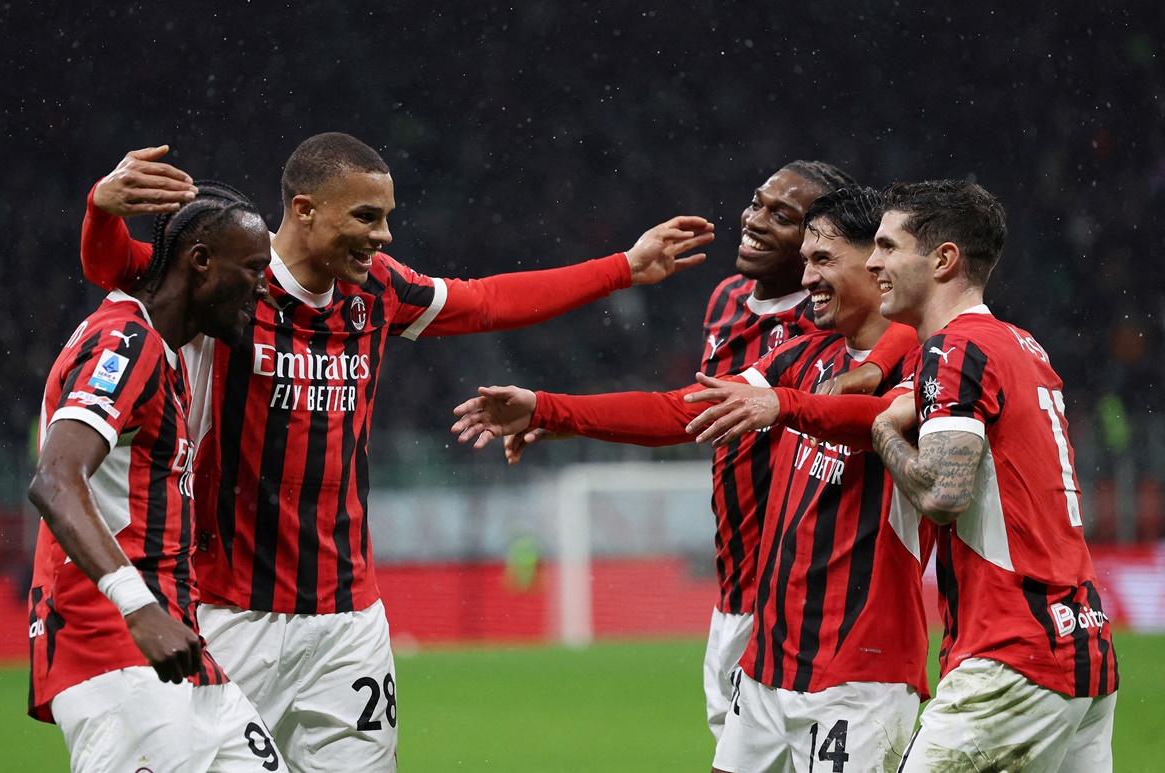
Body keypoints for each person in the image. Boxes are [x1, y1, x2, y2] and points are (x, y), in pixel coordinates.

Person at [76, 134, 714, 771]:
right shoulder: (232, 281)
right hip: (229, 612)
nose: (382, 236)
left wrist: (625, 266)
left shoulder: (376, 290)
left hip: (350, 621)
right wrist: (101, 207)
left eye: (386, 217)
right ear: (303, 211)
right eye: (364, 217)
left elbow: (486, 301)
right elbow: (116, 268)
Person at [451, 186, 932, 772]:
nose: (806, 278)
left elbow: (880, 419)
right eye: (805, 260)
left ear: (878, 262)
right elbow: (681, 410)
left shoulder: (928, 363)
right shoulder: (802, 358)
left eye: (823, 260)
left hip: (862, 671)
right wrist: (547, 407)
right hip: (770, 666)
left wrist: (786, 406)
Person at [27, 183, 291, 771]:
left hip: (178, 646)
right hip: (115, 646)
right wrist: (137, 608)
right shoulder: (127, 342)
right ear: (200, 263)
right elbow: (55, 478)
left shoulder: (172, 352)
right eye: (253, 269)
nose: (263, 287)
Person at [864, 180, 1118, 771]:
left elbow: (944, 495)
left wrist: (882, 428)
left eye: (887, 246)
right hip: (1084, 642)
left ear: (944, 259)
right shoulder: (1024, 346)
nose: (873, 262)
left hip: (1012, 657)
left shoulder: (955, 350)